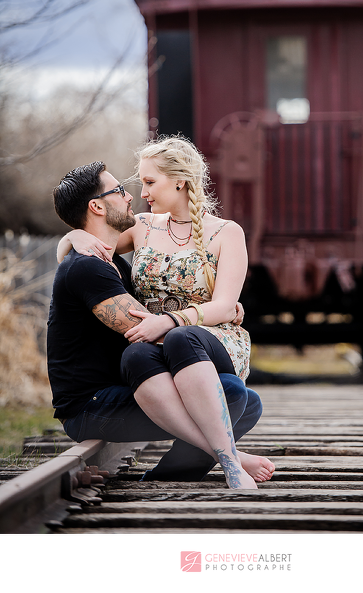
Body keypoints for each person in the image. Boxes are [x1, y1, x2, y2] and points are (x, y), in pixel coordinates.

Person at [53, 150, 275, 486]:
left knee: (184, 342)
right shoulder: (140, 229)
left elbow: (224, 304)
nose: (138, 194)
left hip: (201, 344)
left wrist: (186, 317)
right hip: (149, 355)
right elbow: (90, 248)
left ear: (180, 181)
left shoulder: (226, 233)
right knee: (234, 395)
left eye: (148, 182)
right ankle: (226, 456)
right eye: (128, 188)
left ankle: (223, 457)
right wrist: (72, 236)